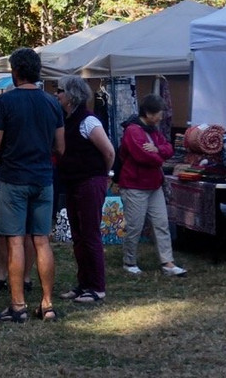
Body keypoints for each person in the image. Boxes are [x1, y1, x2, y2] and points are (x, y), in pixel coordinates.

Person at [0, 47, 65, 322]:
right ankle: (47, 304)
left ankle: (18, 306)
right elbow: (61, 147)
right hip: (43, 178)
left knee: (16, 241)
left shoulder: (5, 103)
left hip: (13, 178)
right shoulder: (53, 103)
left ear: (15, 71)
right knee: (42, 241)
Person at [56, 74, 115, 304]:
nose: (57, 94)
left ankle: (97, 287)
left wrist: (102, 175)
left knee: (90, 235)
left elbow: (109, 152)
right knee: (79, 237)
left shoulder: (88, 121)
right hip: (73, 181)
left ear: (71, 94)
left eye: (60, 90)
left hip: (90, 181)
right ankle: (84, 284)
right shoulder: (68, 119)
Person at [118, 94, 186, 277]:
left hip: (153, 185)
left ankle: (168, 262)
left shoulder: (153, 130)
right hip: (134, 186)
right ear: (148, 113)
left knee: (161, 223)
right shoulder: (133, 131)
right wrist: (160, 156)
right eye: (158, 113)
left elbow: (168, 148)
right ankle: (129, 261)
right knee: (134, 225)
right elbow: (143, 156)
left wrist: (158, 150)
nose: (161, 117)